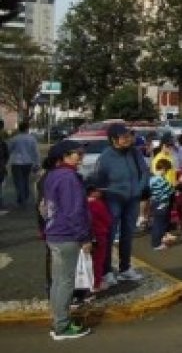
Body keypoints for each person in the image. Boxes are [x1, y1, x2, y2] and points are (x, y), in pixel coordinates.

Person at [41, 140, 93, 340]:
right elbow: (74, 211)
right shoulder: (69, 178)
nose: (81, 157)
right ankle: (61, 327)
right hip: (67, 235)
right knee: (65, 282)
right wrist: (84, 237)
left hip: (54, 233)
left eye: (81, 153)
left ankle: (58, 320)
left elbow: (45, 207)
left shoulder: (52, 175)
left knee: (58, 281)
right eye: (76, 154)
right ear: (63, 157)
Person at [95, 123, 150, 285]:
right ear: (113, 139)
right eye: (124, 137)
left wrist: (139, 189)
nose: (128, 139)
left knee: (127, 235)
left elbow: (144, 172)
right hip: (113, 200)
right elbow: (99, 182)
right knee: (109, 236)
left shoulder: (134, 153)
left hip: (132, 199)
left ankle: (125, 268)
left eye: (129, 136)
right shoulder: (105, 157)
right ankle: (106, 271)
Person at [85, 180, 111, 293]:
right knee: (98, 260)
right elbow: (107, 219)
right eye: (97, 190)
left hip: (85, 236)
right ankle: (96, 284)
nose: (100, 192)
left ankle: (86, 284)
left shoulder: (80, 204)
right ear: (92, 192)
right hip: (99, 235)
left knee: (87, 260)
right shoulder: (97, 204)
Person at [9, 121, 40, 207]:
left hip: (16, 162)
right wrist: (37, 163)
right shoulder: (32, 138)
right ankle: (24, 197)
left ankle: (21, 198)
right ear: (27, 129)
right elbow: (35, 152)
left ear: (19, 129)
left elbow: (9, 150)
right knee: (26, 180)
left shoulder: (14, 138)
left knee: (18, 181)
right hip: (28, 162)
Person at [149, 158, 176, 251]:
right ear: (163, 169)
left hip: (155, 202)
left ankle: (158, 241)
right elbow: (170, 190)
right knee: (159, 224)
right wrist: (175, 186)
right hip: (161, 203)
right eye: (166, 170)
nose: (166, 172)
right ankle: (156, 244)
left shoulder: (152, 178)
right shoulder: (160, 179)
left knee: (158, 222)